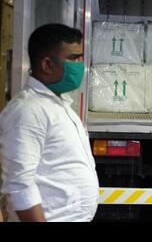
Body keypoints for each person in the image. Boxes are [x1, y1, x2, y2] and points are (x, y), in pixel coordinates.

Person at [0, 24, 99, 222]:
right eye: (73, 58)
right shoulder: (27, 111)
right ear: (47, 64)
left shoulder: (57, 105)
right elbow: (20, 185)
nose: (81, 64)